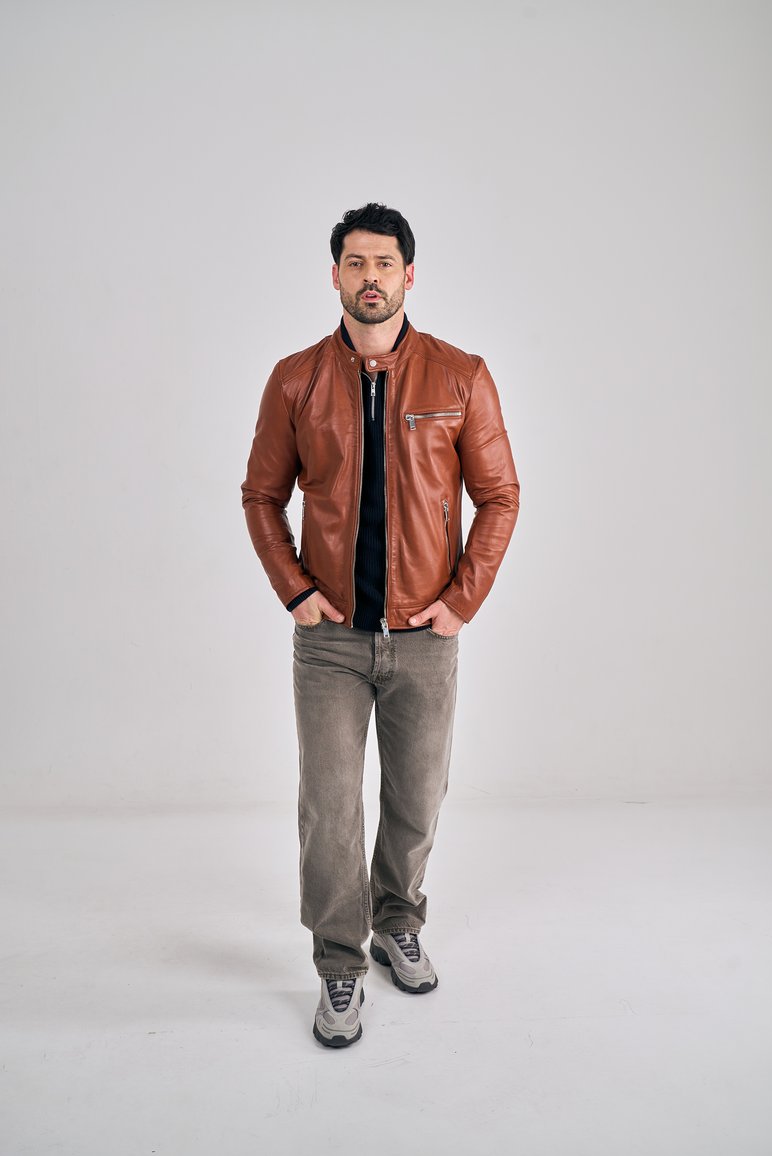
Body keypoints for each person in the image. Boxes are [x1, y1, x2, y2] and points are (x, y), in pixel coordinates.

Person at [242, 203, 519, 1048]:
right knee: (330, 808)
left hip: (426, 637)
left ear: (409, 275)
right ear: (335, 275)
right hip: (329, 640)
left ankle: (398, 918)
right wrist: (295, 591)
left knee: (417, 798)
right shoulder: (295, 379)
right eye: (356, 263)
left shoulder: (461, 376)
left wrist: (460, 602)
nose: (371, 278)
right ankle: (339, 962)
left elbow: (500, 496)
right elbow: (261, 495)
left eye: (385, 264)